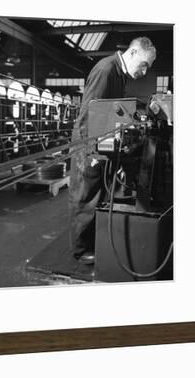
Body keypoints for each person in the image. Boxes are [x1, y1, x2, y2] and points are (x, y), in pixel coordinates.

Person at [68, 37, 157, 264]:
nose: (145, 72)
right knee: (86, 197)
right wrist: (92, 152)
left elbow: (110, 112)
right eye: (144, 65)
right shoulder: (106, 70)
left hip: (102, 144)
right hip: (89, 147)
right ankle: (80, 251)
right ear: (133, 52)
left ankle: (92, 241)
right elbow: (89, 113)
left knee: (98, 195)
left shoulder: (120, 74)